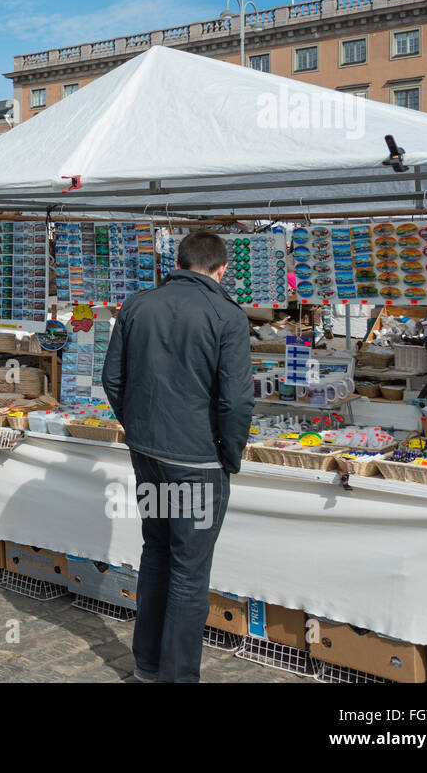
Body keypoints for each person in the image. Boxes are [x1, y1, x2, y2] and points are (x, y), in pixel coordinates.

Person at [100, 230, 252, 683]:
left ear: (180, 262)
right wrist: (230, 452)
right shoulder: (226, 314)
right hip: (196, 462)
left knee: (159, 552)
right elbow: (236, 402)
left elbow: (113, 379)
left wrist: (139, 427)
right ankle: (175, 677)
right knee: (186, 569)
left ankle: (148, 667)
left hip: (151, 455)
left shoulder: (138, 304)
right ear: (221, 269)